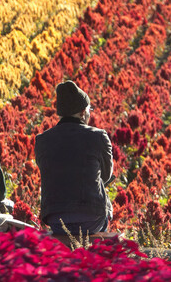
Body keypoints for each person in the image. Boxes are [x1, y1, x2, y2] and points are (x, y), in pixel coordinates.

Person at [35, 81, 113, 239]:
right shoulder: (98, 136)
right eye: (90, 110)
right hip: (91, 219)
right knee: (103, 196)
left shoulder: (42, 140)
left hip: (56, 220)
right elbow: (105, 176)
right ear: (83, 112)